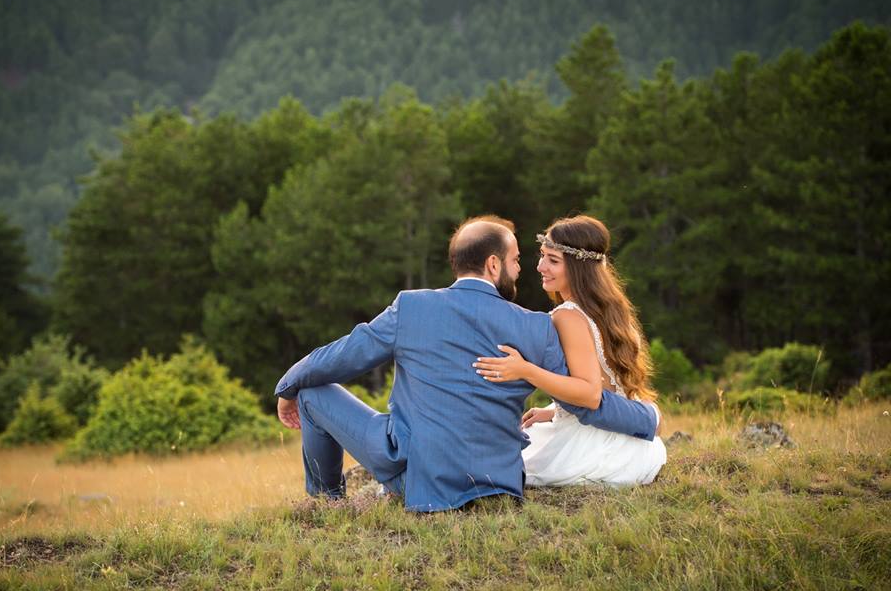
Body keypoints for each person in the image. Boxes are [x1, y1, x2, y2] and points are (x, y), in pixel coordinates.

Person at [274, 215, 659, 512]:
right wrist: (645, 419)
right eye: (516, 260)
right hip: (498, 481)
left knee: (312, 392)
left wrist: (288, 386)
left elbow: (345, 355)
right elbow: (585, 401)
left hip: (418, 479)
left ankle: (326, 503)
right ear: (493, 266)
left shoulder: (411, 306)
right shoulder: (537, 326)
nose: (522, 269)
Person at [473, 215, 667, 486]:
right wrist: (556, 411)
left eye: (553, 261)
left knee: (492, 464)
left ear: (579, 268)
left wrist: (524, 370)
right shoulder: (609, 308)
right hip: (629, 442)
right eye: (542, 256)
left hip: (591, 445)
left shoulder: (568, 315)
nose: (541, 266)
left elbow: (590, 394)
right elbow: (604, 381)